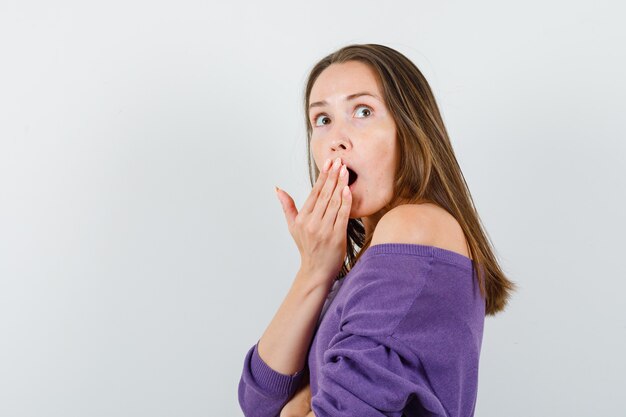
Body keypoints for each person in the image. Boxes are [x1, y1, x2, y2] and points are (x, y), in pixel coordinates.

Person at [238, 43, 517, 417]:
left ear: (411, 130)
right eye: (322, 120)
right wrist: (313, 271)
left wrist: (296, 406)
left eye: (363, 111)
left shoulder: (414, 227)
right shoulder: (365, 265)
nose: (335, 139)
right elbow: (258, 401)